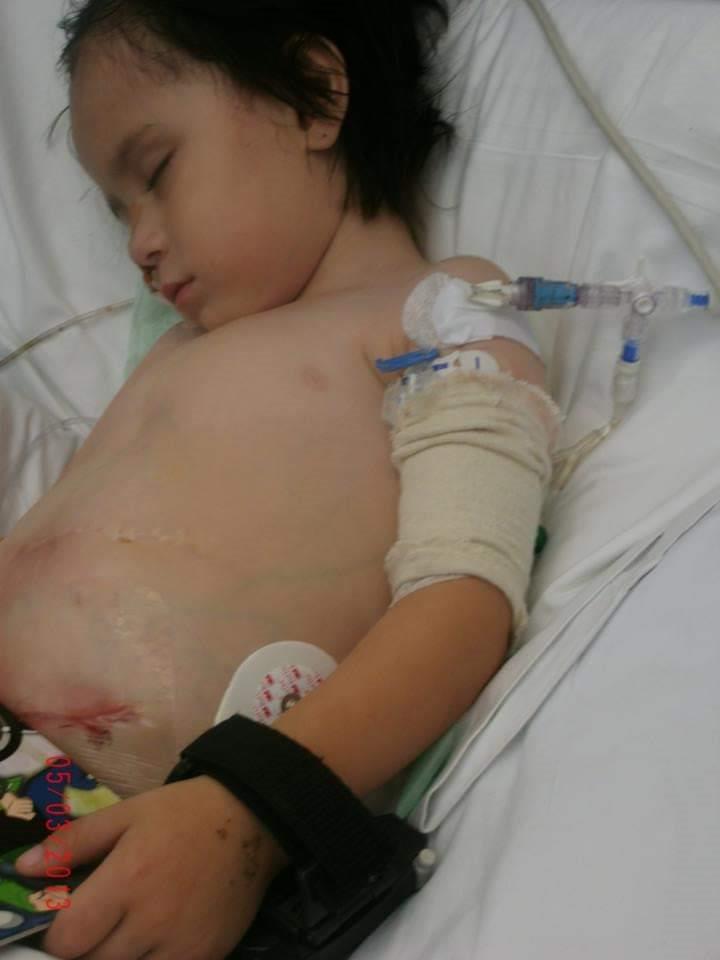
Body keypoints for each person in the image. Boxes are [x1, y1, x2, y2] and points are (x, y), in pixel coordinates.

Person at [0, 1, 556, 957]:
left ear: (313, 97)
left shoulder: (442, 314)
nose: (138, 244)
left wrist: (253, 805)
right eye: (119, 211)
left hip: (113, 843)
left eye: (155, 173)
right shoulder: (174, 348)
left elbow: (465, 595)